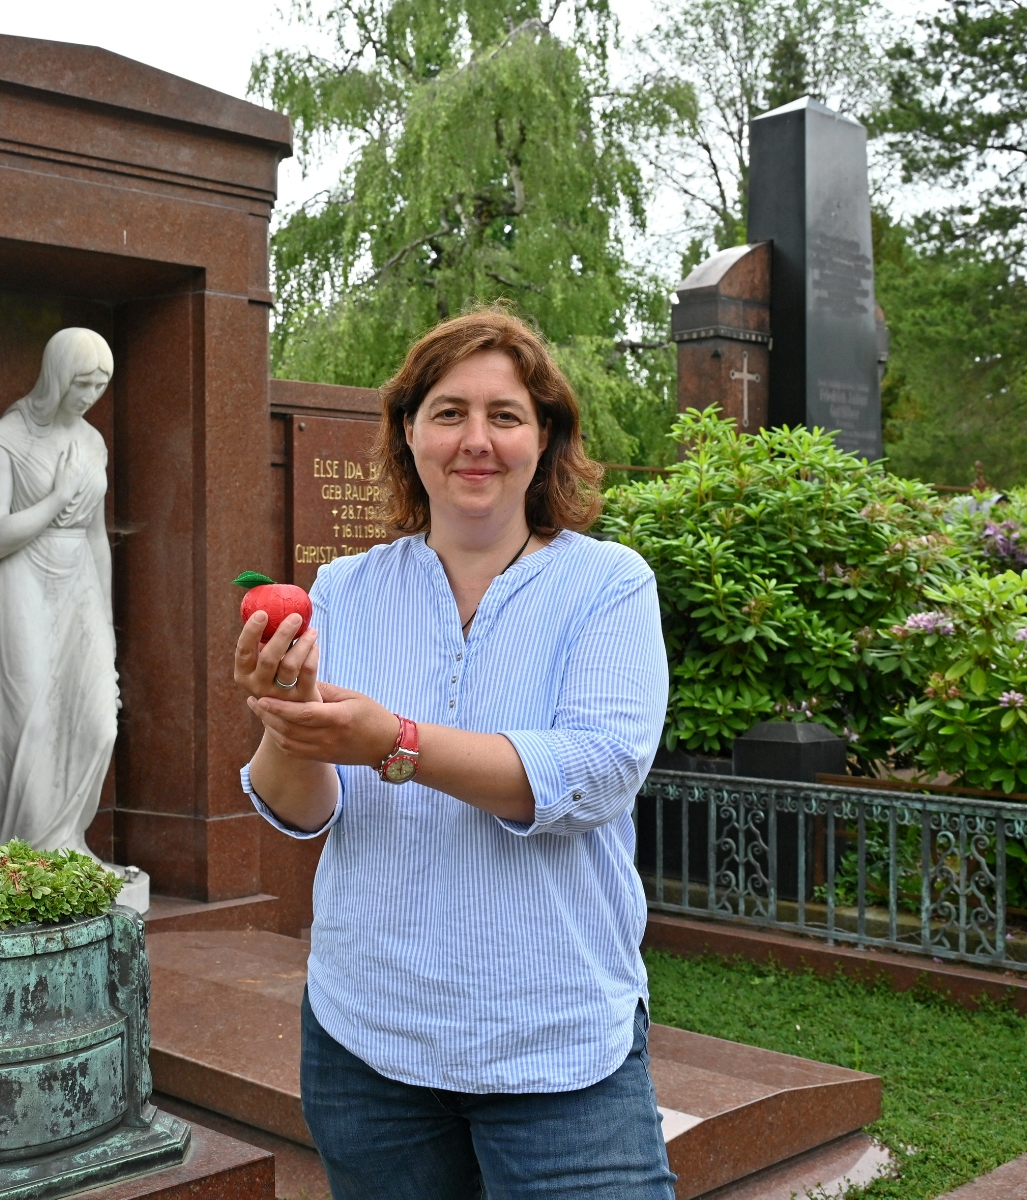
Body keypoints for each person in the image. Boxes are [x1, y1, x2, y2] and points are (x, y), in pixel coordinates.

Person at [233, 309, 674, 1199]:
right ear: (408, 432)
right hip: (369, 1041)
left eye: (505, 416)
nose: (476, 441)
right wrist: (288, 719)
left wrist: (394, 742)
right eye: (447, 413)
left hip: (556, 1045)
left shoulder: (608, 583)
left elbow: (594, 774)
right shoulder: (346, 590)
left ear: (543, 437)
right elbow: (305, 809)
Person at [0, 327, 117, 857]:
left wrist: (104, 618)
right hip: (18, 580)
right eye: (82, 383)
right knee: (31, 715)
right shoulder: (4, 439)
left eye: (100, 386)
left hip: (78, 575)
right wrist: (57, 496)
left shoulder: (91, 441)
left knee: (99, 722)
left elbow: (97, 535)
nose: (90, 397)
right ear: (58, 376)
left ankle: (67, 841)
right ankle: (27, 855)